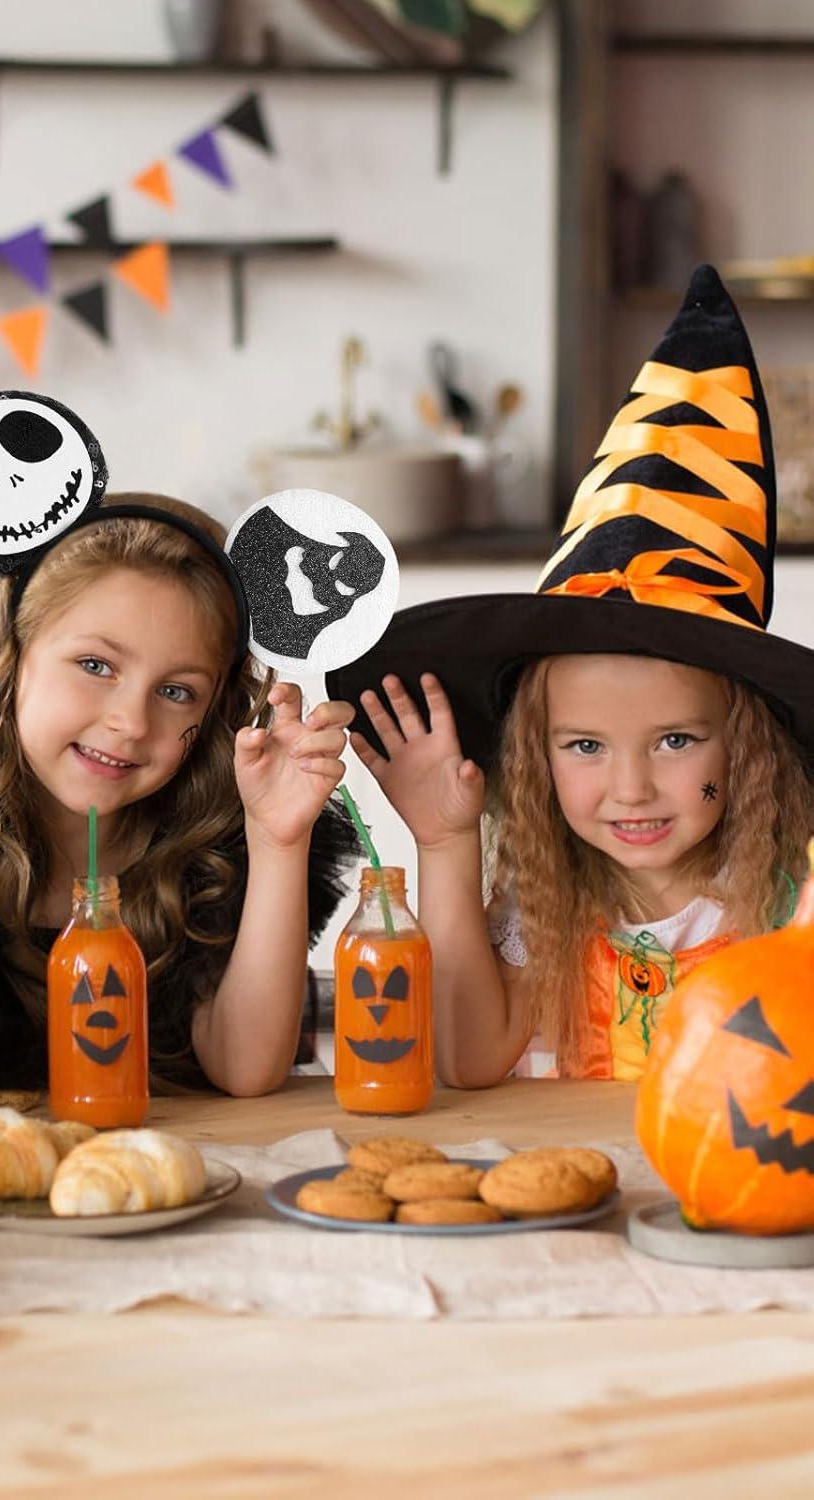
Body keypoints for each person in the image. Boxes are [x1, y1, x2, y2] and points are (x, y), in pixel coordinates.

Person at [329, 265, 814, 1087]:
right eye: (585, 744)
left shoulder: (789, 892)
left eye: (674, 740)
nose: (630, 789)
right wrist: (446, 844)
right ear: (534, 754)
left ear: (745, 743)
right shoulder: (551, 892)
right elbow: (468, 1061)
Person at [0, 494, 361, 1114]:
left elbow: (246, 1069)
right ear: (10, 659)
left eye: (176, 690)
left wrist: (279, 843)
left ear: (213, 713)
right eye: (94, 665)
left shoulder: (218, 859)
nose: (131, 722)